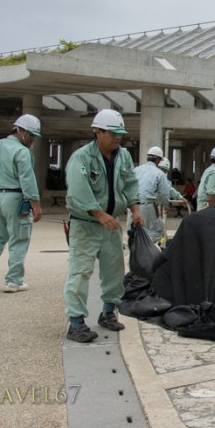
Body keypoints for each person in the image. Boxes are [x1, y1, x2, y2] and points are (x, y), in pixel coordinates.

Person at [63, 109, 143, 343]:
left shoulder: (124, 156)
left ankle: (108, 312)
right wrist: (99, 214)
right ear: (97, 131)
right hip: (86, 225)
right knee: (80, 271)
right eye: (112, 133)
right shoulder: (81, 158)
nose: (118, 138)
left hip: (110, 225)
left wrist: (135, 210)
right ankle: (76, 323)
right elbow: (78, 191)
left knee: (114, 270)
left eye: (120, 133)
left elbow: (130, 183)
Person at [0, 114, 43, 293]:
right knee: (19, 239)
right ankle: (14, 281)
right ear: (21, 131)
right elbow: (27, 179)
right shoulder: (22, 152)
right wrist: (36, 205)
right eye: (31, 135)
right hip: (14, 197)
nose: (32, 140)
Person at [128, 146, 172, 243]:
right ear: (157, 159)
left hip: (133, 206)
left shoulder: (136, 170)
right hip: (148, 206)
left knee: (134, 230)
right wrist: (167, 206)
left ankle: (136, 251)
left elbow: (128, 187)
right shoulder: (159, 173)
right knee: (156, 230)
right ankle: (148, 250)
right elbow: (164, 194)